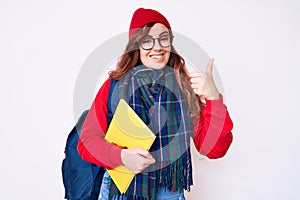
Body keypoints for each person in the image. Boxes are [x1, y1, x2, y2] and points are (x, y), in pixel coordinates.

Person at [78, 8, 233, 200]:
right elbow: (87, 143)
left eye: (164, 38)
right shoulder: (114, 87)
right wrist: (122, 157)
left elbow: (213, 149)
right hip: (121, 190)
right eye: (147, 40)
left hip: (169, 191)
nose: (157, 47)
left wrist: (213, 99)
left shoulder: (183, 88)